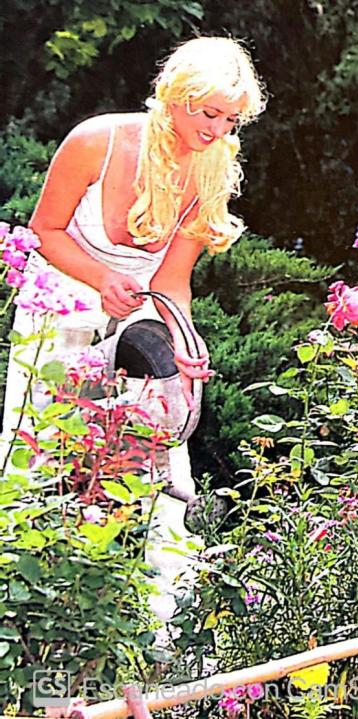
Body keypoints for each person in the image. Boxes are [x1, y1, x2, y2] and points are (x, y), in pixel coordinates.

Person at [1, 36, 266, 621]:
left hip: (139, 305)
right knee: (40, 451)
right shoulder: (97, 139)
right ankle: (24, 606)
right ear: (175, 96)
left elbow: (171, 280)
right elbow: (45, 233)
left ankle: (160, 621)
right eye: (208, 113)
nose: (217, 130)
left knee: (160, 442)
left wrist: (185, 341)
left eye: (230, 120)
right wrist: (100, 278)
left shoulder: (213, 170)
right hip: (62, 297)